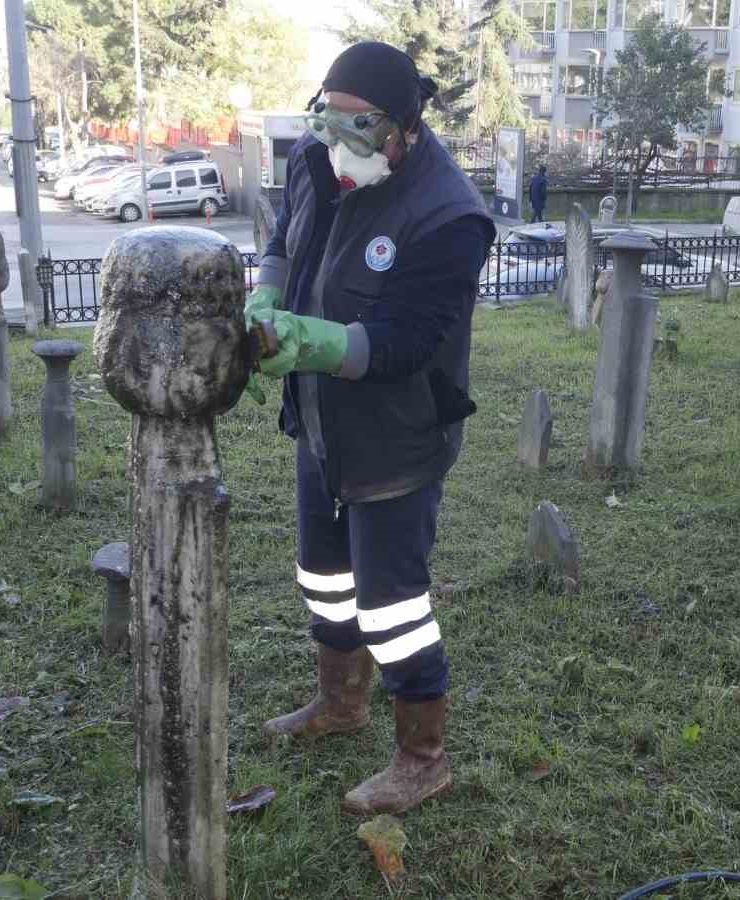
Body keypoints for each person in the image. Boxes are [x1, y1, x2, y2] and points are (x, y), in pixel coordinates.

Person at [244, 41, 495, 816]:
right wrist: (265, 297)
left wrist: (316, 343)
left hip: (397, 433)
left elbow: (412, 342)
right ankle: (340, 702)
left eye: (357, 134)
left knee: (392, 604)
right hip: (321, 423)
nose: (336, 150)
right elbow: (286, 240)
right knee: (322, 572)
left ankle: (423, 754)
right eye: (328, 124)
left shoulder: (451, 215)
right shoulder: (317, 158)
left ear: (402, 132)